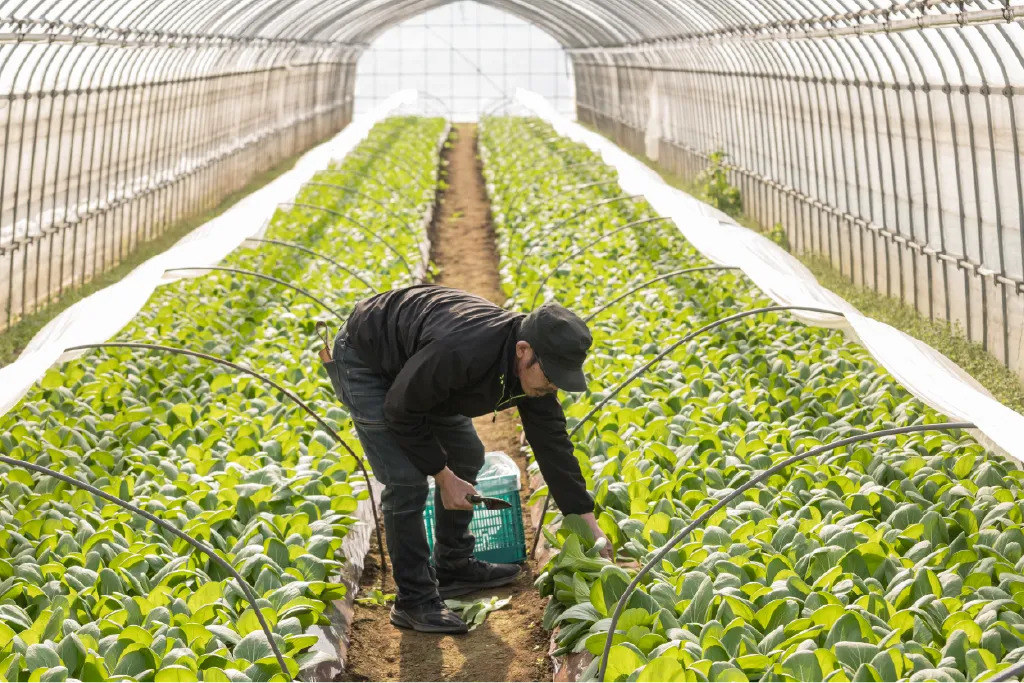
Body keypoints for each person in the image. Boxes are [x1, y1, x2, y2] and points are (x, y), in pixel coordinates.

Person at [322, 284, 608, 634]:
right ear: (523, 351)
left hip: (421, 371)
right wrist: (443, 477)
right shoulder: (462, 351)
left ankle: (452, 564)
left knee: (467, 453)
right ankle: (413, 600)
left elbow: (553, 445)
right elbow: (400, 409)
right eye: (551, 377)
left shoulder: (533, 369)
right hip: (367, 358)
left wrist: (586, 519)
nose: (554, 387)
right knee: (406, 481)